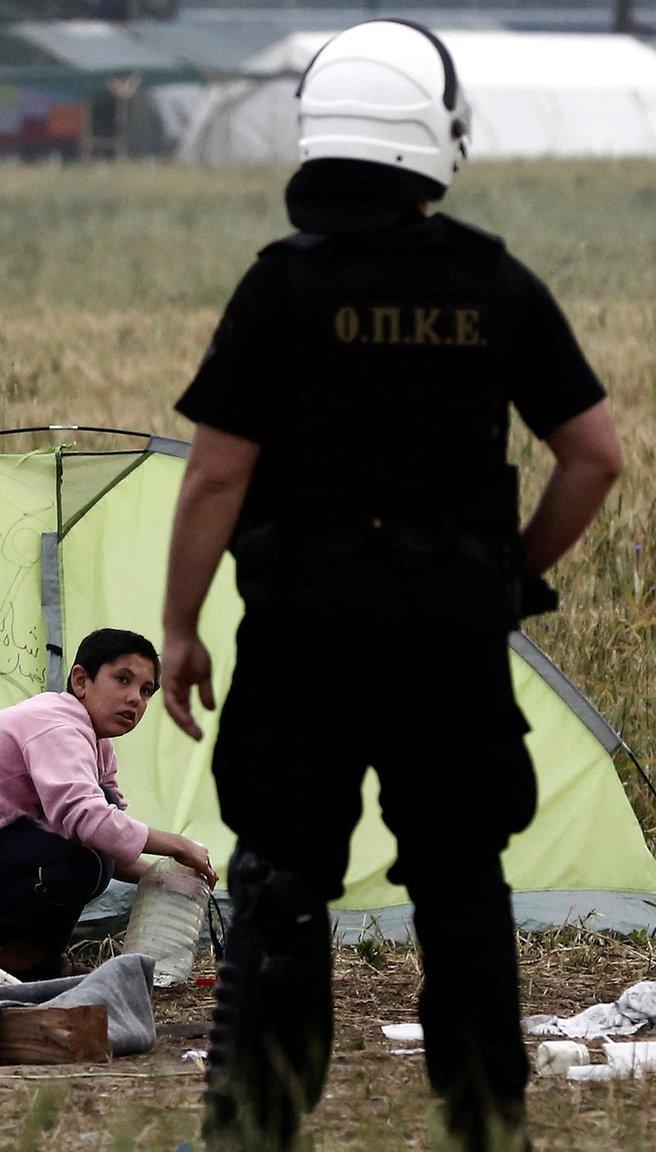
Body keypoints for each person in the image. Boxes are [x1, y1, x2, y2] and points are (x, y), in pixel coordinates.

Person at [156, 20, 623, 1152]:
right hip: (447, 638)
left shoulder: (282, 286)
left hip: (302, 633)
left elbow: (217, 472)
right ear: (437, 136)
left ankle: (259, 1119)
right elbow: (595, 453)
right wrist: (508, 576)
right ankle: (481, 1116)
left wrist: (177, 625)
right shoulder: (489, 282)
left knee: (279, 876)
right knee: (460, 877)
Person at [0, 629, 216, 988]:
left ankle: (26, 958)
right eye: (122, 680)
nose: (134, 699)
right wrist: (179, 845)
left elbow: (112, 838)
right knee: (86, 857)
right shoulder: (56, 725)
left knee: (95, 842)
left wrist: (166, 879)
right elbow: (93, 824)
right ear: (81, 680)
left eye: (145, 691)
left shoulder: (97, 746)